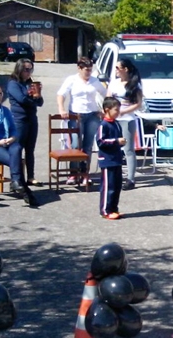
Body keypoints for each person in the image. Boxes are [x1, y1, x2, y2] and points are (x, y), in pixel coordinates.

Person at [56, 57, 107, 185]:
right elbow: (61, 94)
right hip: (76, 115)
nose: (88, 73)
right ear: (79, 68)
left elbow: (106, 94)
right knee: (75, 145)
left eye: (90, 70)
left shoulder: (95, 81)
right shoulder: (71, 80)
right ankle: (73, 173)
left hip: (92, 115)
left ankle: (85, 173)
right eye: (86, 70)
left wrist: (104, 110)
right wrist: (62, 109)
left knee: (88, 146)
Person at [107, 58, 143, 191]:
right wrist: (108, 112)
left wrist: (123, 111)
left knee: (128, 149)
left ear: (125, 69)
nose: (115, 70)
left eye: (118, 68)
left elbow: (138, 104)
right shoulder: (114, 83)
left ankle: (131, 179)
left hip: (127, 119)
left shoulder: (134, 84)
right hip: (113, 118)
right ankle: (113, 175)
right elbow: (108, 98)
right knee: (112, 146)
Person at [7, 59, 43, 187]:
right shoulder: (13, 83)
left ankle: (31, 177)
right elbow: (22, 99)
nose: (29, 72)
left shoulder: (30, 83)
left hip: (32, 118)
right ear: (19, 69)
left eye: (31, 69)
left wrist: (37, 95)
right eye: (26, 69)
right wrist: (33, 98)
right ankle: (16, 178)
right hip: (19, 120)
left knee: (30, 149)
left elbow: (40, 102)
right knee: (17, 148)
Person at [96, 97, 125, 220]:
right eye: (116, 110)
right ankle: (105, 210)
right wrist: (116, 141)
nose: (118, 112)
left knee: (117, 186)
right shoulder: (103, 125)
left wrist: (121, 142)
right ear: (107, 110)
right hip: (107, 160)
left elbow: (118, 138)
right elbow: (101, 141)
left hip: (116, 159)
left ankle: (114, 208)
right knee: (109, 186)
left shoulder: (116, 123)